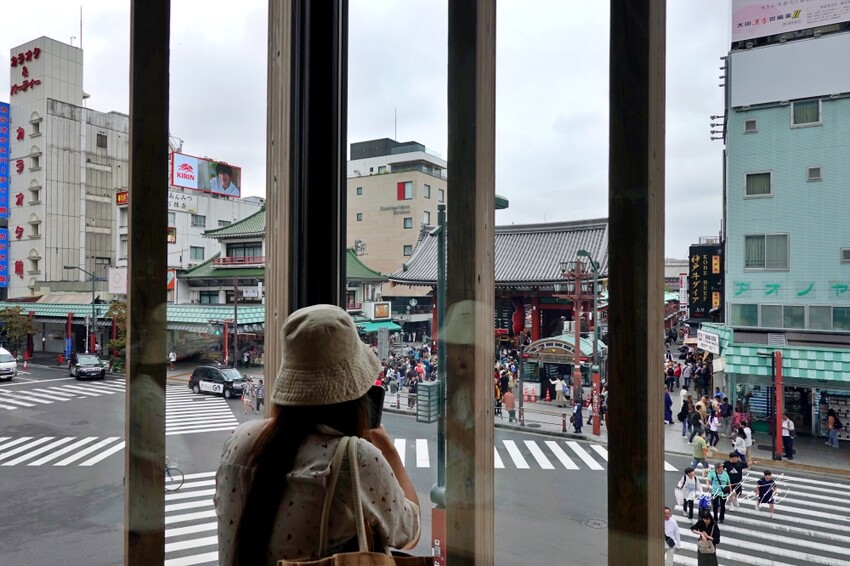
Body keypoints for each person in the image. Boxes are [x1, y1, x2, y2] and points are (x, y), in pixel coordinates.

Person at [214, 304, 420, 564]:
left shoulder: (239, 440)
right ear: (355, 395)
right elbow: (408, 532)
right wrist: (388, 451)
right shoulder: (354, 458)